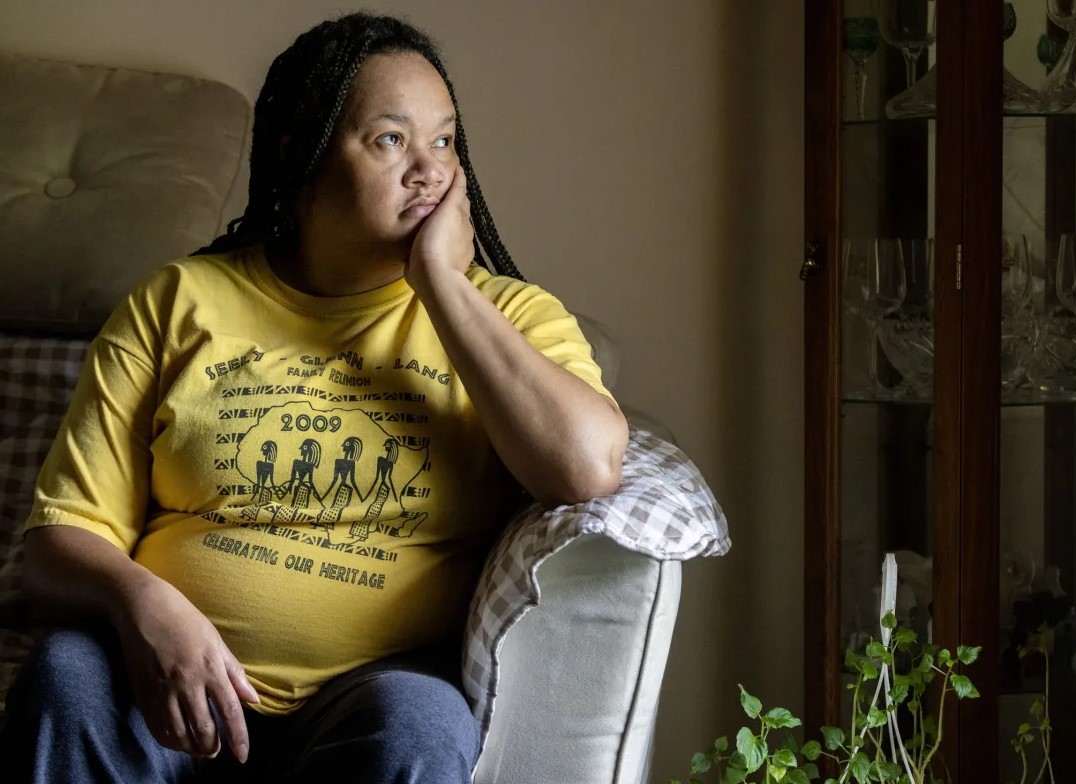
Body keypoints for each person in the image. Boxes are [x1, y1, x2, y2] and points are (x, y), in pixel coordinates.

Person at [0, 12, 628, 784]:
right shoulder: (179, 300)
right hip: (163, 688)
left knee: (423, 724)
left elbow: (585, 468)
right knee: (66, 673)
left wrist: (441, 286)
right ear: (301, 151)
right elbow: (57, 545)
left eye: (444, 141)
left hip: (370, 692)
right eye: (391, 139)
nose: (429, 170)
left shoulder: (507, 317)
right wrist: (145, 607)